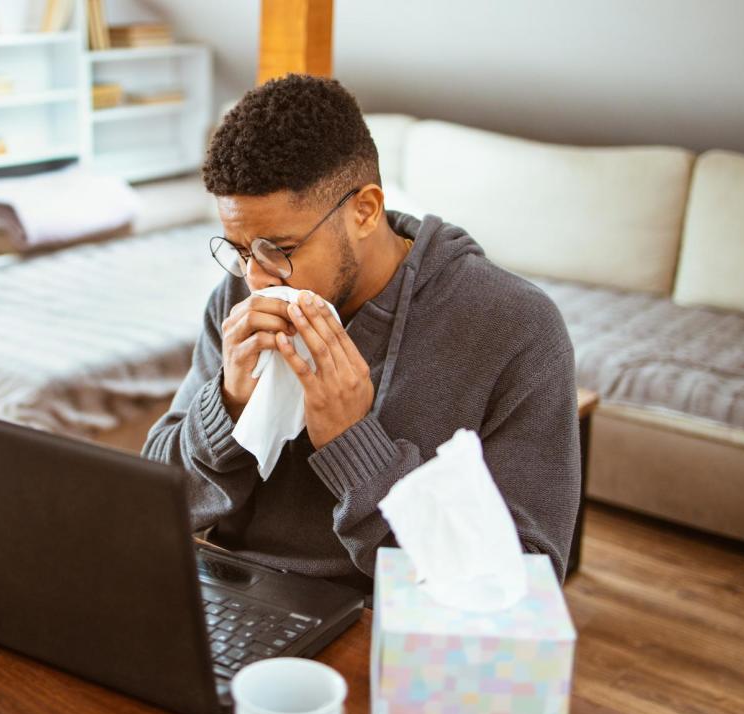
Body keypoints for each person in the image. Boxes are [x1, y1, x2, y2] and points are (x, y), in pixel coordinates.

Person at [142, 74, 580, 593]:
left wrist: (354, 444)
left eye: (279, 249)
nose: (256, 279)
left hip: (391, 623)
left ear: (365, 210)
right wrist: (229, 407)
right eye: (239, 251)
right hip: (236, 594)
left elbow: (527, 580)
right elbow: (156, 499)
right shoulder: (239, 300)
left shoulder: (515, 328)